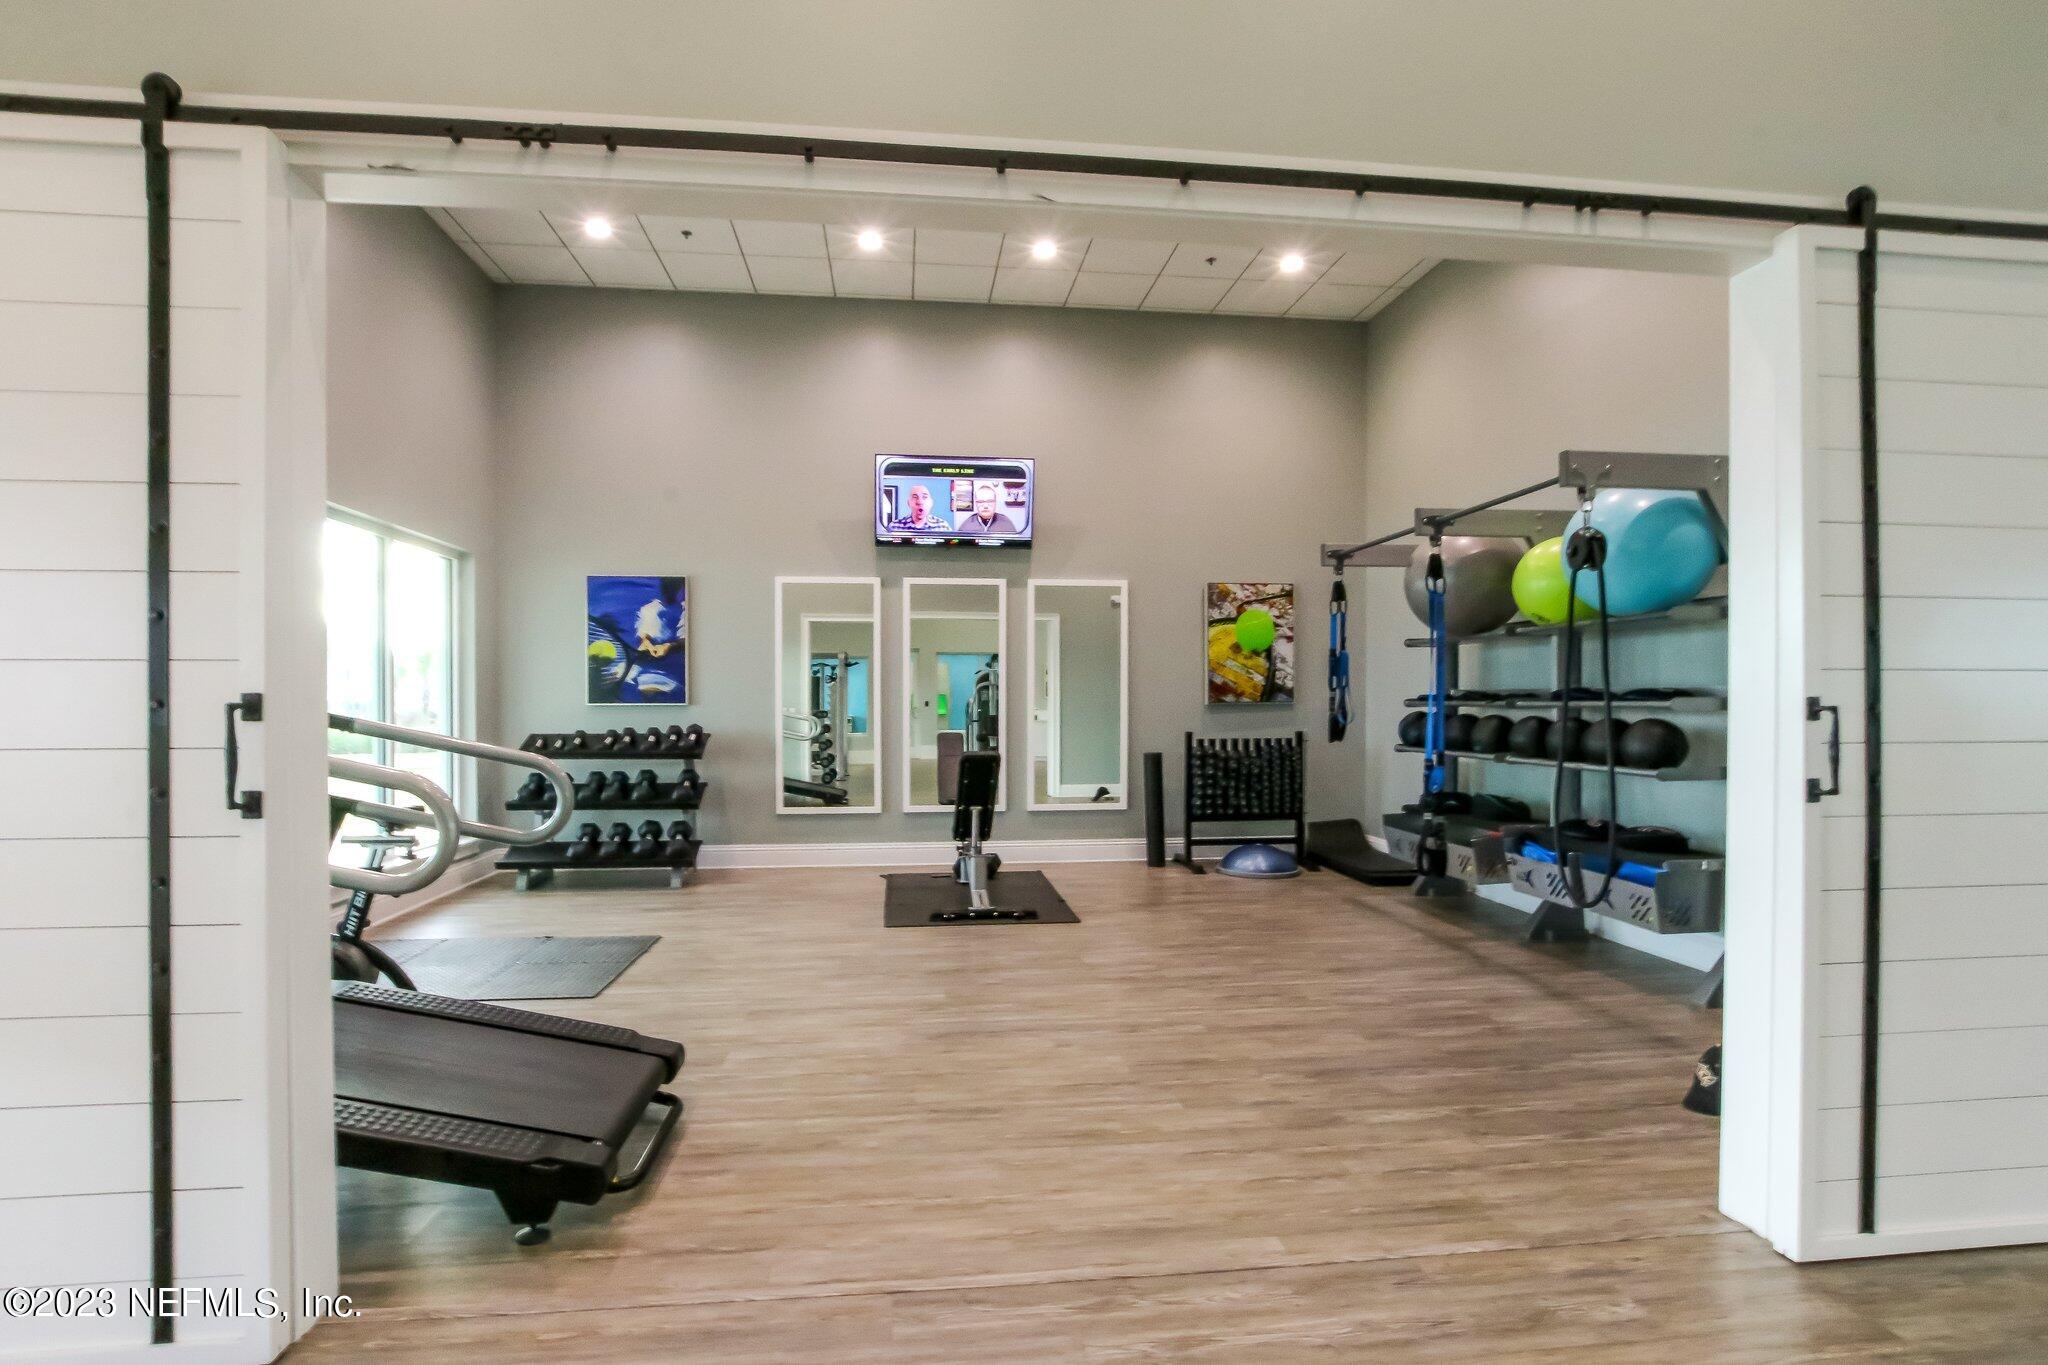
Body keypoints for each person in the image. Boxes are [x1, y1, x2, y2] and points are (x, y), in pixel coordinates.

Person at [955, 481, 1019, 536]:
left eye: (990, 501)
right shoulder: (966, 525)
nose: (985, 506)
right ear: (976, 503)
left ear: (995, 503)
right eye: (981, 502)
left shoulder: (1006, 523)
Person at [886, 482, 953, 533]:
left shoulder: (943, 526)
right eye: (915, 497)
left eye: (925, 497)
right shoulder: (894, 526)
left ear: (931, 503)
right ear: (908, 503)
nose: (920, 502)